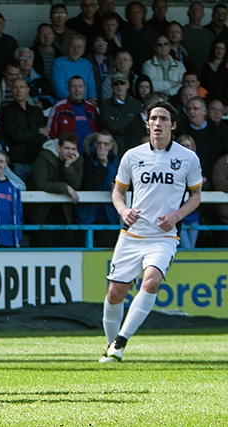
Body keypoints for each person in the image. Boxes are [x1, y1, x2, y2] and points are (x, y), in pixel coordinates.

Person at [99, 101, 203, 363]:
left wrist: (176, 216)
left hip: (163, 236)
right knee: (115, 293)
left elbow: (196, 196)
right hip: (132, 235)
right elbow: (118, 192)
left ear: (173, 125)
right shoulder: (132, 156)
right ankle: (111, 348)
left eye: (163, 119)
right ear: (147, 123)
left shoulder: (187, 158)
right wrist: (123, 211)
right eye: (153, 118)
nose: (157, 123)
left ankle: (121, 341)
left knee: (152, 280)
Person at [28, 132, 83, 247]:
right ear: (59, 148)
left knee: (62, 249)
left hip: (63, 214)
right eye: (67, 148)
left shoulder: (77, 160)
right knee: (43, 250)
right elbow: (41, 184)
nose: (70, 152)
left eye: (73, 149)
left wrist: (68, 166)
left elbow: (76, 185)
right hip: (42, 214)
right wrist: (65, 187)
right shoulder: (45, 157)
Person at [73, 131, 120, 248]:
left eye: (105, 144)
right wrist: (102, 164)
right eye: (99, 143)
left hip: (109, 216)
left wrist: (119, 188)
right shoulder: (85, 159)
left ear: (111, 145)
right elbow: (89, 185)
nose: (102, 147)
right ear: (94, 144)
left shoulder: (116, 162)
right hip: (87, 215)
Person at [1, 78, 49, 183]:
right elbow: (15, 137)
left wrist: (24, 134)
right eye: (15, 87)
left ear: (27, 90)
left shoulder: (36, 111)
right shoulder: (6, 111)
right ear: (11, 90)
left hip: (36, 161)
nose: (19, 90)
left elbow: (43, 136)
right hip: (16, 162)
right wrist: (36, 131)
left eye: (22, 87)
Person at [47, 76, 100, 152]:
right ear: (68, 89)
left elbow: (99, 132)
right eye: (73, 86)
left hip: (90, 156)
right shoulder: (59, 108)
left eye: (80, 86)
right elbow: (50, 134)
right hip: (68, 155)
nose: (77, 90)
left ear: (84, 88)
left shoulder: (92, 109)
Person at [99, 72, 142, 152]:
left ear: (127, 85)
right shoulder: (105, 105)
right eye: (116, 84)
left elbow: (138, 128)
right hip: (114, 148)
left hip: (133, 147)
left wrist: (119, 123)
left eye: (122, 83)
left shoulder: (136, 104)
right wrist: (129, 123)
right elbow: (111, 127)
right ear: (111, 87)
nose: (119, 86)